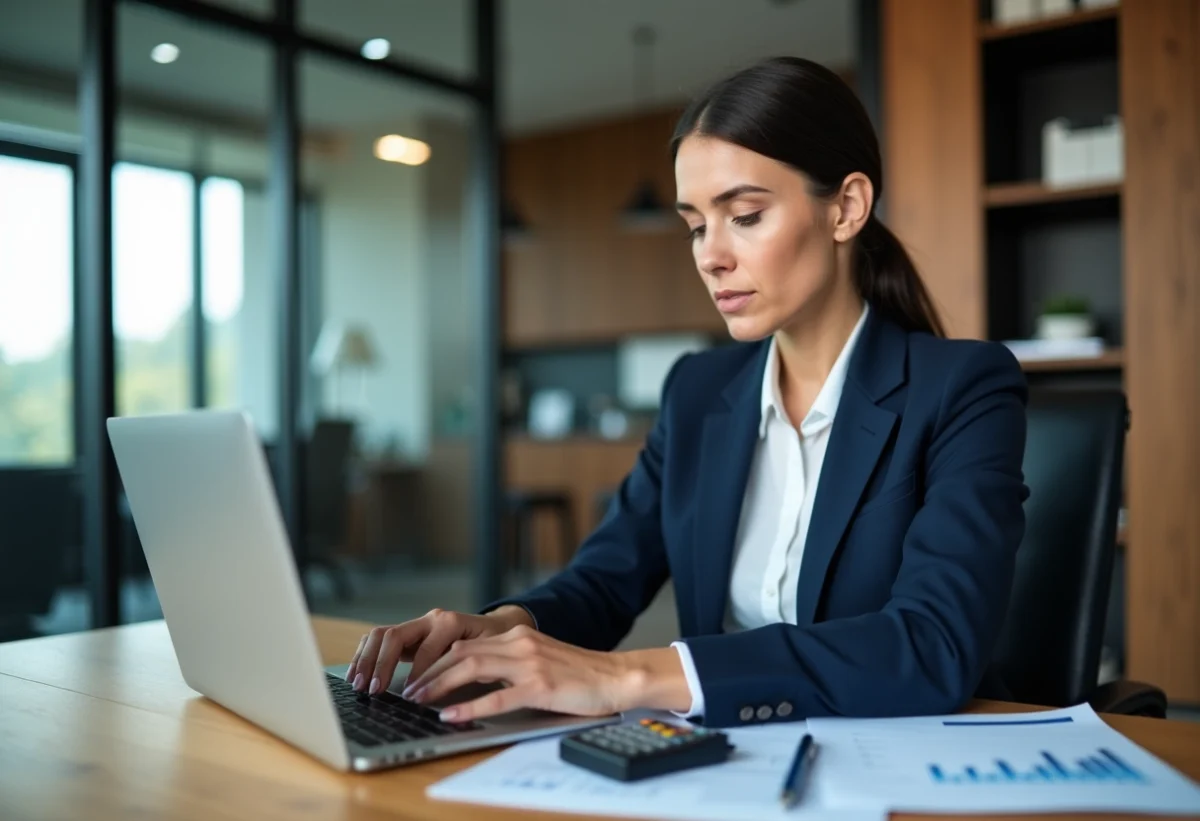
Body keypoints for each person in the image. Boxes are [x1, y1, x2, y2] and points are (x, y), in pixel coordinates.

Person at [345, 56, 1029, 728]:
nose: (710, 255)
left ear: (846, 207)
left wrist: (630, 675)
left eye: (746, 215)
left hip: (900, 761)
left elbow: (932, 644)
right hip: (723, 760)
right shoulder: (699, 391)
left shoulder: (963, 387)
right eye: (697, 225)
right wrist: (499, 627)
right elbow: (605, 579)